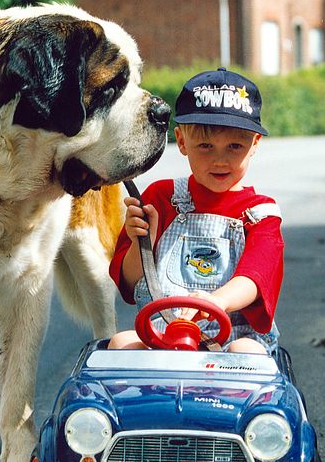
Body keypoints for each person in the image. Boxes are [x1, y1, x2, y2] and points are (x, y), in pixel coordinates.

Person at [107, 68, 283, 353]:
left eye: (235, 146)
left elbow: (254, 279)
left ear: (254, 145)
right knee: (120, 343)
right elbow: (129, 284)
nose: (220, 160)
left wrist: (218, 301)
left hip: (229, 341)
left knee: (246, 352)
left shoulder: (261, 214)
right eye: (205, 146)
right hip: (163, 338)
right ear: (182, 141)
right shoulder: (160, 198)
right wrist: (144, 241)